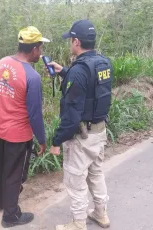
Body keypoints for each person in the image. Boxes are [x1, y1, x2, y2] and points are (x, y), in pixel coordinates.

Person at [48, 19, 113, 230]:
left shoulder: (79, 70)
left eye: (70, 40)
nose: (70, 44)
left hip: (81, 138)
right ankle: (101, 214)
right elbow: (91, 89)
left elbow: (71, 116)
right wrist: (63, 71)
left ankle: (78, 224)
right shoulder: (103, 63)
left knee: (75, 181)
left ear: (76, 41)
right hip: (99, 131)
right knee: (95, 173)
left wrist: (57, 141)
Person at [0, 26, 48, 228]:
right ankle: (11, 216)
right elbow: (34, 114)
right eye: (40, 48)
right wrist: (42, 139)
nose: (41, 53)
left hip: (0, 129)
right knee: (14, 174)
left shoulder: (2, 63)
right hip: (19, 135)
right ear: (34, 49)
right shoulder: (32, 77)